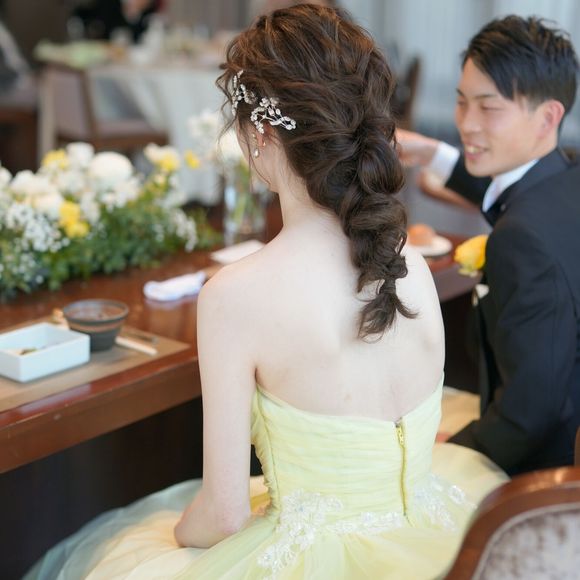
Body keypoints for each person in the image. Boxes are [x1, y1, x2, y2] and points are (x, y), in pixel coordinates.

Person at [25, 6, 506, 579]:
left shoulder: (234, 296)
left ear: (261, 134)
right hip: (443, 538)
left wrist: (176, 536)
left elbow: (223, 517)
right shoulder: (413, 264)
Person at [398, 15, 580, 476]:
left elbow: (529, 415)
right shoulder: (564, 181)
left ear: (548, 117)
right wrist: (434, 154)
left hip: (541, 473)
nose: (466, 124)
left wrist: (454, 449)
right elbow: (508, 195)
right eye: (461, 102)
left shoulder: (522, 238)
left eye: (488, 108)